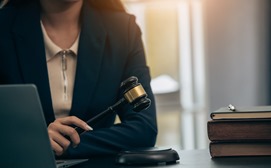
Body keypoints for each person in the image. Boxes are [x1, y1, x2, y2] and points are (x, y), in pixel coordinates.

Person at [0, 0, 157, 158]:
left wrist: (62, 144)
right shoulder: (4, 27)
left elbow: (144, 128)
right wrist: (32, 142)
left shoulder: (123, 30)